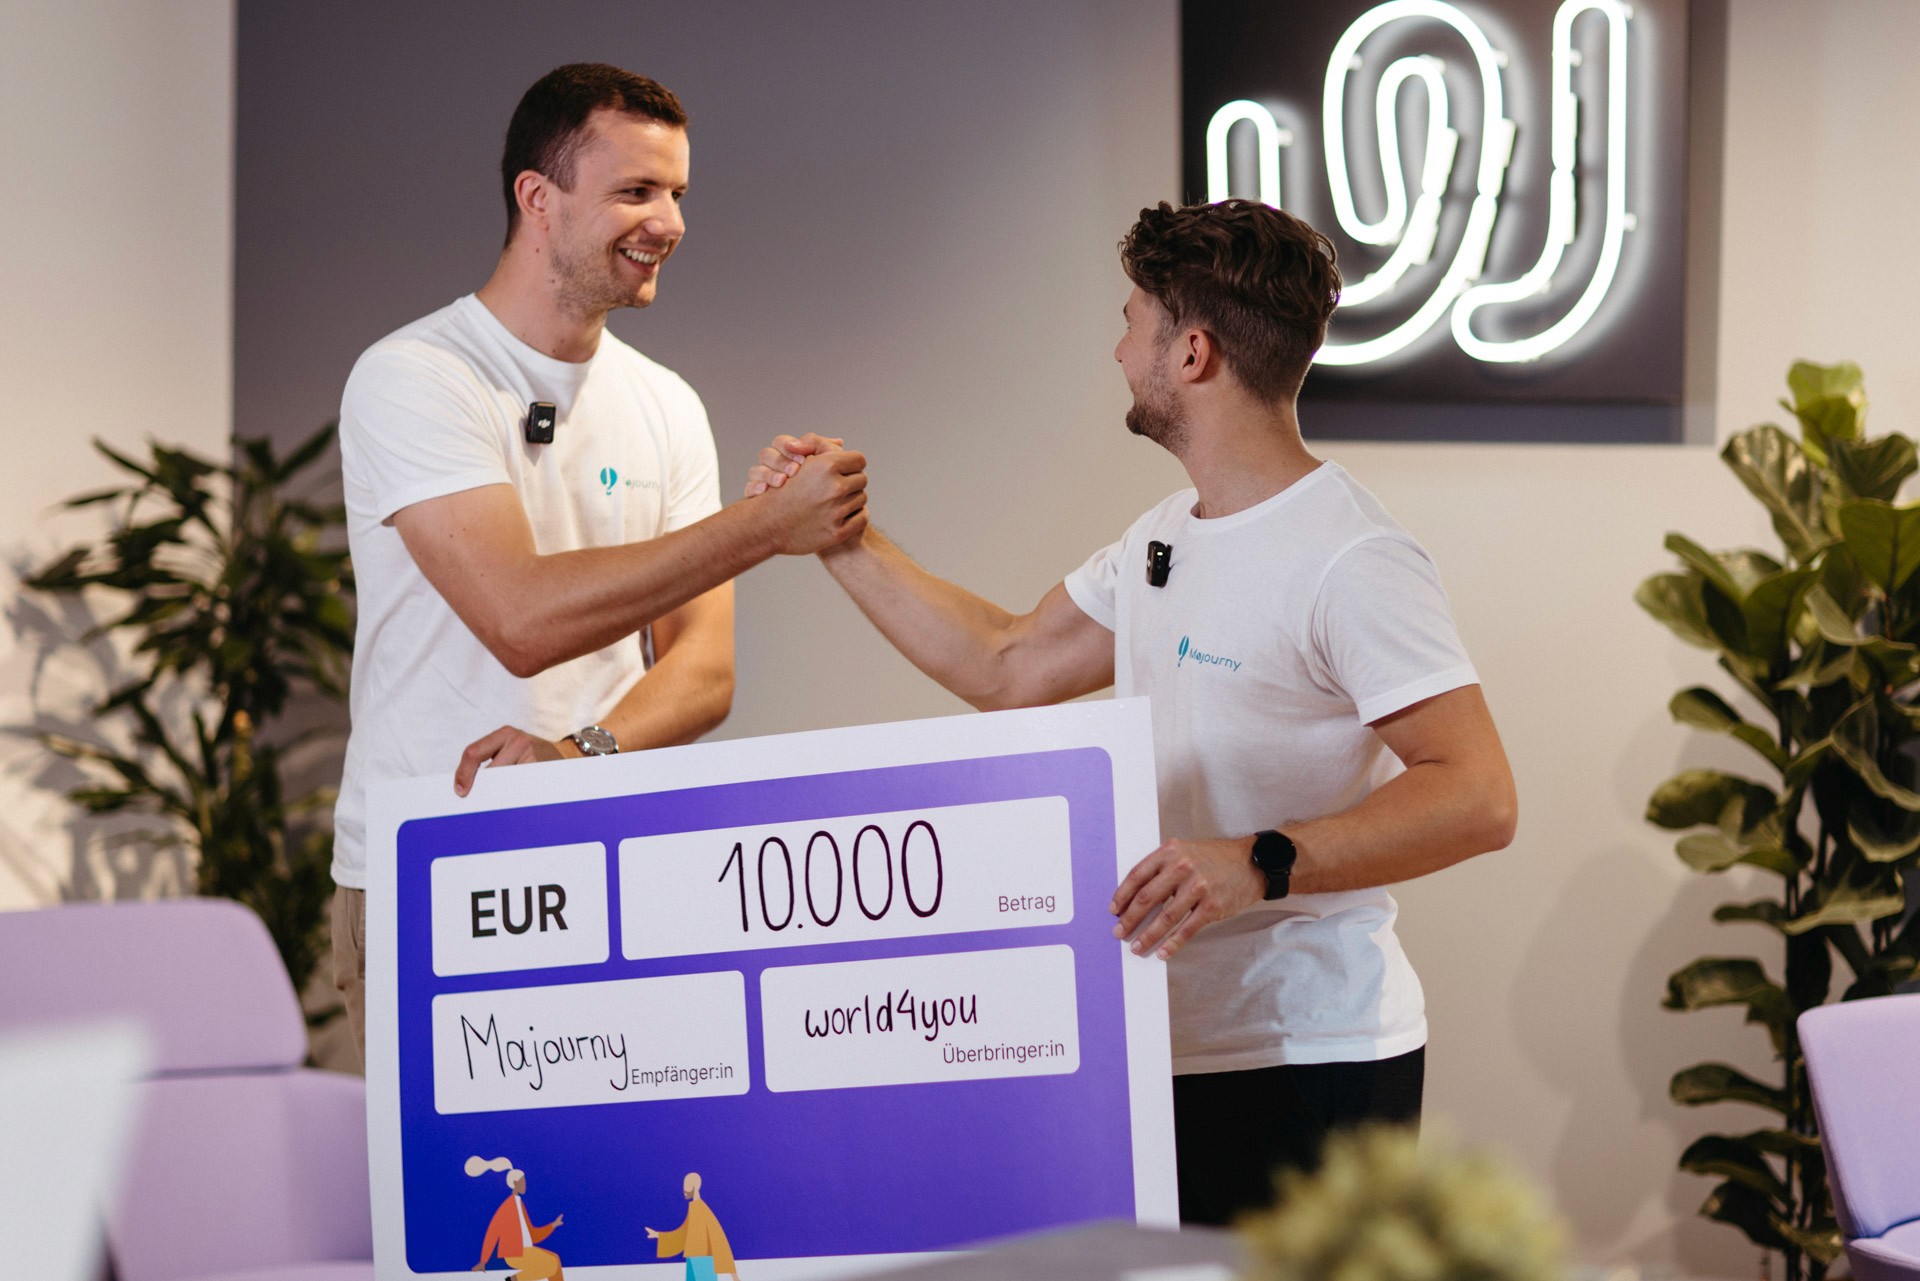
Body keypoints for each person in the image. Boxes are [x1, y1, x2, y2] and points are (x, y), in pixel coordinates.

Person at [745, 199, 1517, 1224]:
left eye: (1131, 324)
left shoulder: (1353, 558)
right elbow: (1007, 664)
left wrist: (1256, 860)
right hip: (1166, 1039)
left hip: (1306, 1047)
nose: (1119, 351)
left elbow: (1478, 796)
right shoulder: (1164, 538)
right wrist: (839, 538)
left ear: (1191, 352)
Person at [330, 63, 869, 1062]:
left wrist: (579, 759)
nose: (669, 221)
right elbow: (521, 620)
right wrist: (767, 527)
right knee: (452, 1216)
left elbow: (703, 674)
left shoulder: (666, 403)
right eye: (636, 191)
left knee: (607, 1204)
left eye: (676, 195)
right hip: (431, 870)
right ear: (538, 199)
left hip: (613, 866)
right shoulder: (414, 378)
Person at [467, 1159, 564, 1281]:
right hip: (514, 1253)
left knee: (555, 1258)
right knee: (551, 1264)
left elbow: (532, 1234)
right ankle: (513, 1280)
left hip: (526, 1250)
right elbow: (493, 1232)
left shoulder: (520, 1205)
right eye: (523, 1181)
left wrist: (553, 1225)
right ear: (515, 1183)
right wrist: (483, 1260)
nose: (525, 1185)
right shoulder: (508, 1206)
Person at [647, 1171, 738, 1281]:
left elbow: (719, 1240)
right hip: (693, 1259)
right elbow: (682, 1234)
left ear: (694, 1186)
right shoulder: (694, 1208)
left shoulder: (700, 1209)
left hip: (704, 1261)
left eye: (687, 1184)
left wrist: (734, 1275)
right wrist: (658, 1235)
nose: (683, 1188)